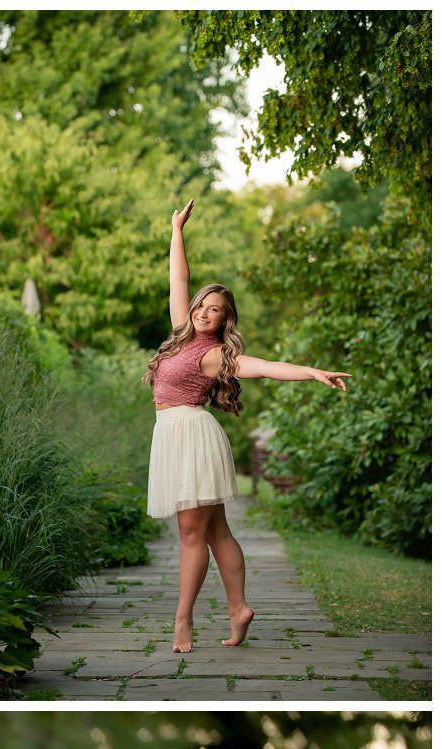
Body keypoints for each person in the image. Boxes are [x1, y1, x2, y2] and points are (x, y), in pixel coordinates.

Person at [146, 201, 348, 653]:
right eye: (203, 305)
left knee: (192, 534)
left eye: (216, 310)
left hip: (190, 437)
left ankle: (183, 622)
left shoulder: (215, 354)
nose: (204, 312)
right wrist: (176, 228)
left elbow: (265, 366)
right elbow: (178, 277)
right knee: (216, 532)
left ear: (224, 320)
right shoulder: (182, 330)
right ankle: (238, 610)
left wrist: (312, 371)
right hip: (177, 435)